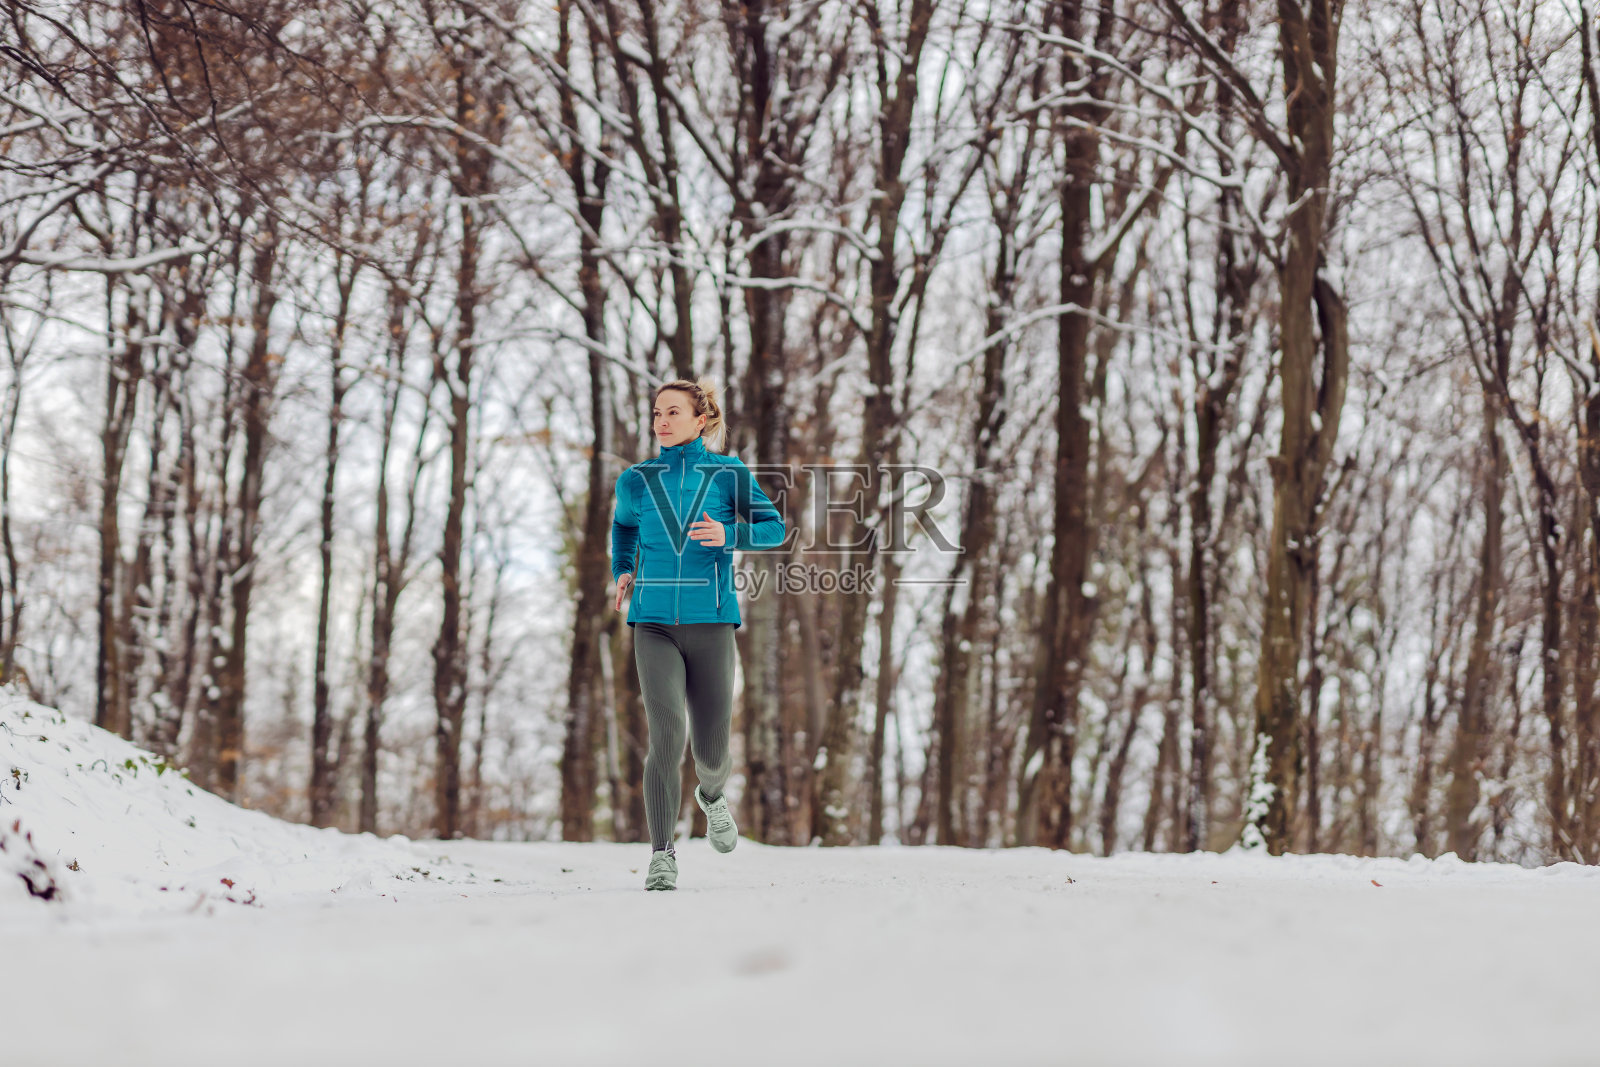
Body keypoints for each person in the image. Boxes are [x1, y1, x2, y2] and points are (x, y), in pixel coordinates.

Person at [610, 377, 786, 890]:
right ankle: (662, 854)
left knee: (711, 751)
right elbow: (623, 528)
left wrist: (730, 534)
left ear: (701, 420)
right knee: (667, 734)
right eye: (656, 412)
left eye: (672, 412)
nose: (661, 421)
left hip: (711, 623)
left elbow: (774, 528)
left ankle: (712, 794)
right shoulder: (636, 480)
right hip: (653, 622)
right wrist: (623, 568)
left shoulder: (728, 474)